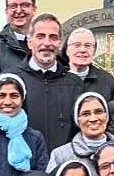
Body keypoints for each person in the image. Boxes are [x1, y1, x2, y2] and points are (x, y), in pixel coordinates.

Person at [18, 14, 85, 151]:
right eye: (40, 36)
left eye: (53, 37)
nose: (47, 43)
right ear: (30, 42)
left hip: (64, 162)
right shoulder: (12, 81)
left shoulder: (75, 84)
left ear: (60, 43)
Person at [45, 92, 114, 176]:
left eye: (98, 112)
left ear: (107, 116)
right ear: (77, 119)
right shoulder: (60, 155)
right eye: (85, 114)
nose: (93, 118)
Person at [64, 27, 114, 101]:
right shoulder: (56, 78)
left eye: (88, 46)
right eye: (77, 45)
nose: (82, 50)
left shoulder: (107, 80)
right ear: (67, 50)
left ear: (94, 51)